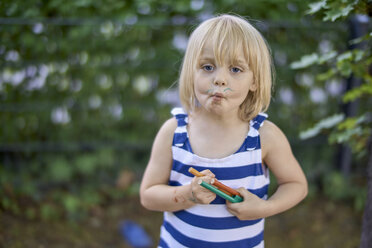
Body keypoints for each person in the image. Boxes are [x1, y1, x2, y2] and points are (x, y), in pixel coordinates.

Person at [140, 14, 308, 248]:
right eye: (207, 67)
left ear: (255, 81)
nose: (219, 79)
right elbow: (148, 195)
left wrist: (265, 208)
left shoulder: (264, 136)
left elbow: (296, 184)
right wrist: (188, 194)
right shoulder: (174, 131)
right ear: (192, 72)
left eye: (236, 69)